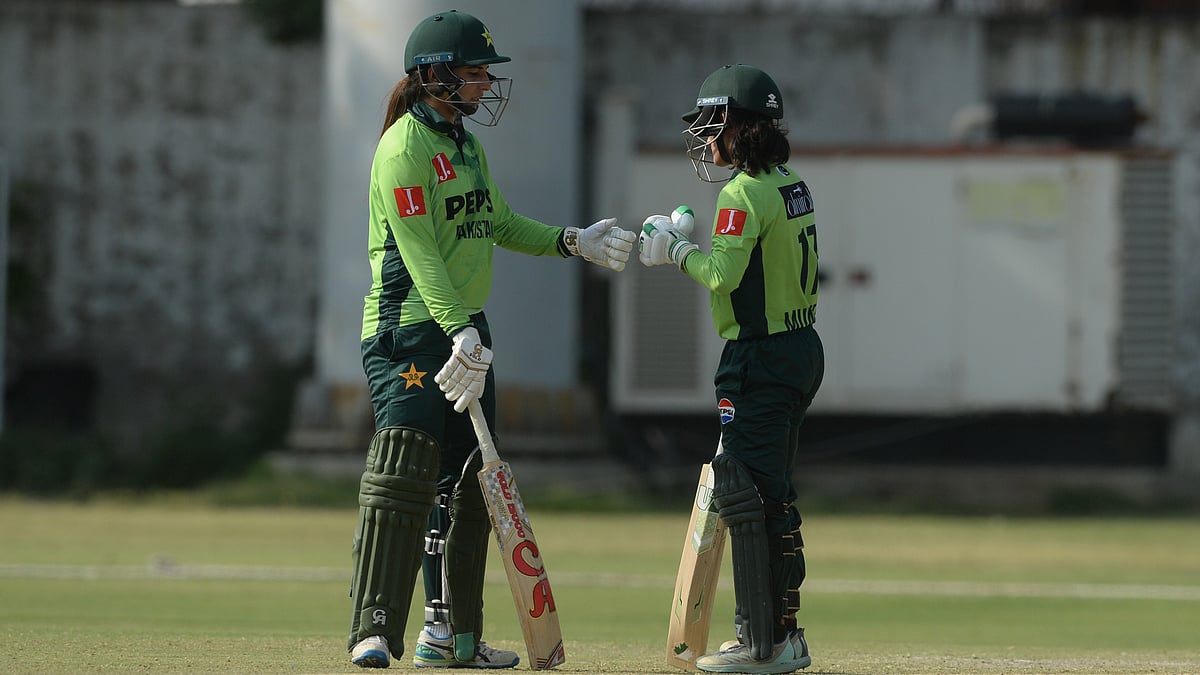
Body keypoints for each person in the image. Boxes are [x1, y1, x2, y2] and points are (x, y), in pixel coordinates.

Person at [346, 9, 636, 670]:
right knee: (405, 474)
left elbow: (497, 222)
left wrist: (572, 241)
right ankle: (374, 628)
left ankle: (453, 637)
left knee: (469, 485)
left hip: (464, 332)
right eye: (474, 73)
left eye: (485, 74)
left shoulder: (465, 146)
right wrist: (459, 330)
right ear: (433, 75)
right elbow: (420, 253)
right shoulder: (402, 149)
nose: (485, 84)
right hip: (408, 333)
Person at [640, 63, 823, 674]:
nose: (704, 137)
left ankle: (762, 642)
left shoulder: (741, 193)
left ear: (737, 126)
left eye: (711, 123)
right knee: (775, 495)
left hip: (759, 357)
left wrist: (676, 250)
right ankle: (783, 634)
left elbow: (722, 275)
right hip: (800, 347)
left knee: (749, 495)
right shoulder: (792, 183)